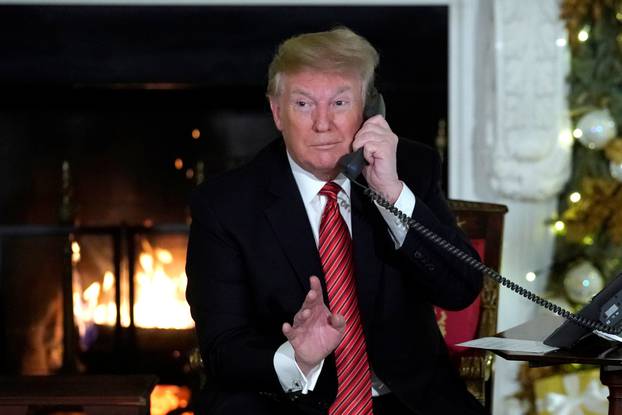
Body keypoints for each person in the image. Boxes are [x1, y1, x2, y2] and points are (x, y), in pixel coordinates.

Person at [185, 26, 487, 415]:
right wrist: (297, 358)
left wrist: (391, 193)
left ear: (368, 109)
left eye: (341, 103)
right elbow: (221, 347)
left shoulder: (410, 168)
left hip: (406, 399)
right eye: (304, 104)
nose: (323, 124)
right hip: (283, 400)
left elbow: (461, 289)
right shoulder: (225, 204)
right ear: (278, 112)